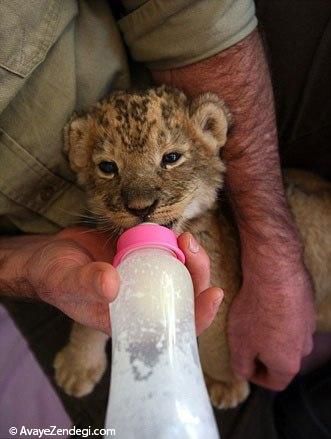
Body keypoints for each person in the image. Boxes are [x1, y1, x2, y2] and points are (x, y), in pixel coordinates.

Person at [0, 0, 330, 436]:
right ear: (82, 154)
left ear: (211, 133)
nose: (139, 200)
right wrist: (24, 269)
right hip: (35, 236)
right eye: (107, 166)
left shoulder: (202, 135)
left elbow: (193, 12)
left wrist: (271, 248)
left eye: (170, 158)